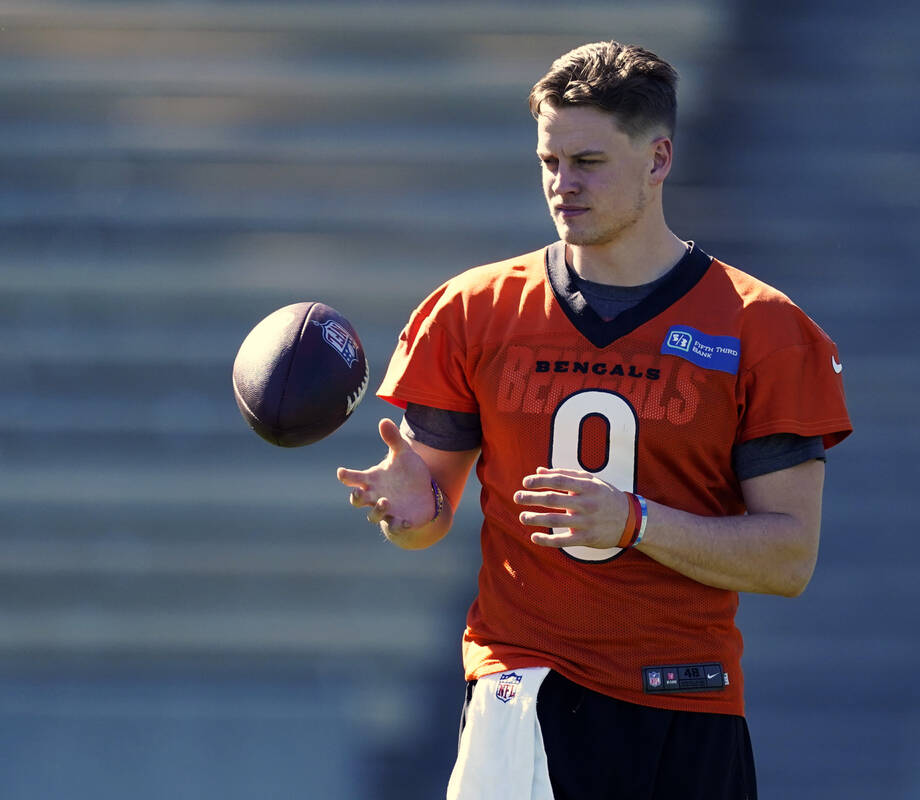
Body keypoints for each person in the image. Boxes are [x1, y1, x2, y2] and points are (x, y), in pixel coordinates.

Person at [336, 41, 852, 800]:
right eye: (549, 161)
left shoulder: (762, 329)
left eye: (588, 162)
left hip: (691, 701)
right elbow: (428, 516)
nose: (562, 185)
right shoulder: (475, 310)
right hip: (527, 688)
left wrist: (636, 522)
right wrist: (410, 512)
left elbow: (787, 559)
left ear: (659, 158)